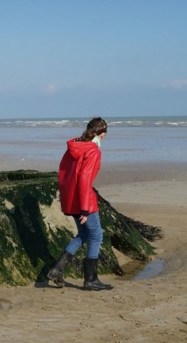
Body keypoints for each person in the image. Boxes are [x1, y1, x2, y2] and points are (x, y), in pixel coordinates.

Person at [47, 117, 113, 291]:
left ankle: (56, 270)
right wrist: (84, 208)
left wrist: (70, 199)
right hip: (83, 200)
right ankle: (91, 279)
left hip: (71, 198)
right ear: (103, 134)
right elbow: (84, 179)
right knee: (96, 235)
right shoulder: (93, 151)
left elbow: (63, 172)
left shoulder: (75, 146)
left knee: (83, 234)